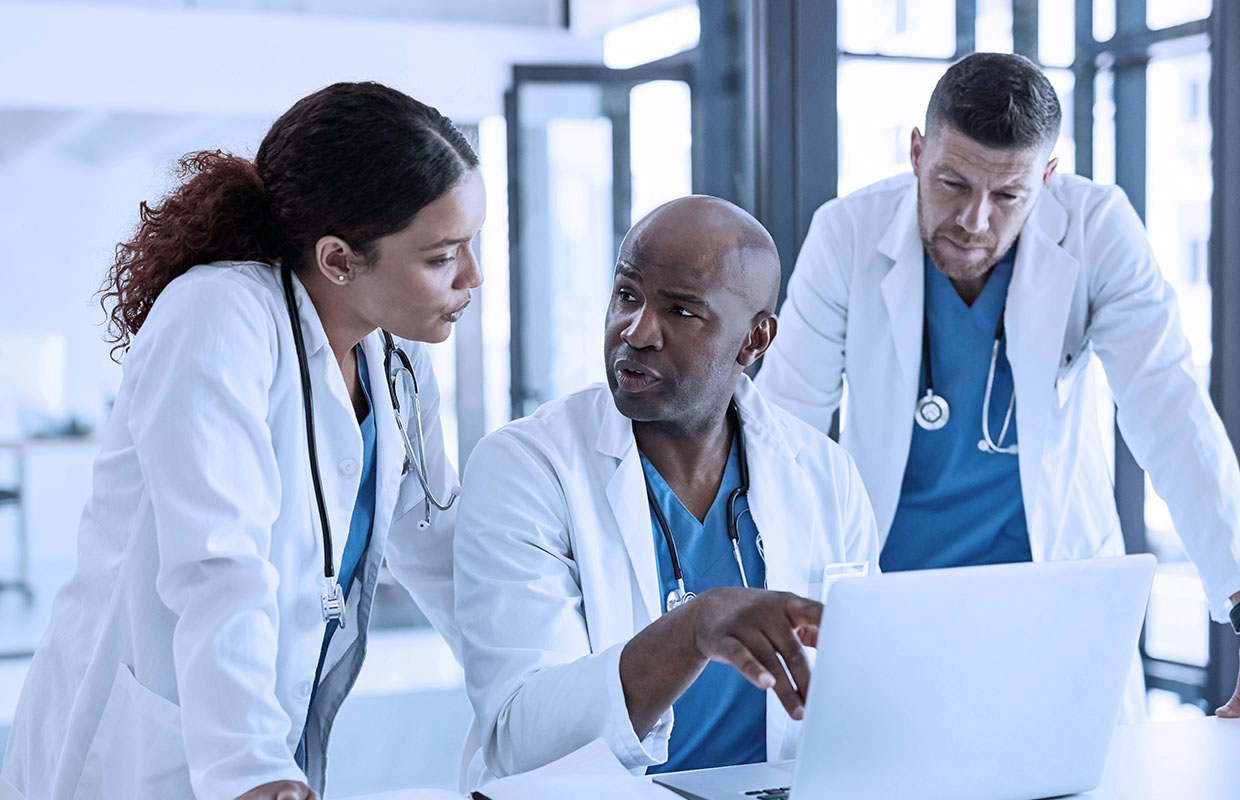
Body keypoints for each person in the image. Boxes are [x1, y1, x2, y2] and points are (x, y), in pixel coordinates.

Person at [0, 82, 484, 800]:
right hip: (151, 748)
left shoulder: (397, 358)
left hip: (266, 732)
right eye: (442, 256)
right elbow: (216, 560)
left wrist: (538, 681)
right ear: (338, 259)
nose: (472, 278)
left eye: (470, 246)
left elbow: (439, 549)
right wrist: (253, 766)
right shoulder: (218, 315)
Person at [756, 52, 1240, 717]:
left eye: (1008, 196)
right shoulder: (847, 235)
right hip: (892, 605)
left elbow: (1169, 409)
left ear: (1046, 179)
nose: (974, 221)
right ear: (918, 152)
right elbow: (784, 434)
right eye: (952, 182)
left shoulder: (1098, 228)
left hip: (1054, 605)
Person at [453, 196, 878, 784]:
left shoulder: (825, 475)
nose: (637, 330)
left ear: (755, 340)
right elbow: (521, 737)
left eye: (680, 310)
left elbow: (858, 694)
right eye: (627, 295)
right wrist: (694, 629)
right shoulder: (526, 467)